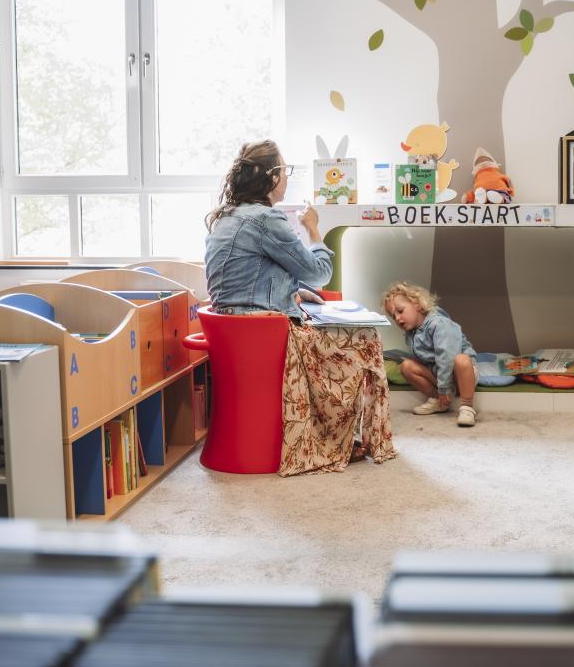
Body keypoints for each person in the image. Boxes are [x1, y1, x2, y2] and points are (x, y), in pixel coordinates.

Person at [204, 140, 396, 476]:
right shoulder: (266, 219)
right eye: (285, 171)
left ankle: (327, 435)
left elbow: (248, 277)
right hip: (266, 335)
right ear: (271, 177)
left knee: (334, 330)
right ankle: (338, 440)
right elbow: (319, 273)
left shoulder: (226, 217)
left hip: (237, 331)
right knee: (364, 339)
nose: (287, 179)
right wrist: (313, 228)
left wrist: (294, 291)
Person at [381, 281, 478, 427]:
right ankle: (438, 400)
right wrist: (441, 388)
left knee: (462, 360)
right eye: (393, 316)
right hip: (439, 375)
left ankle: (467, 406)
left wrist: (445, 387)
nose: (398, 319)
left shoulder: (439, 324)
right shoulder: (411, 332)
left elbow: (447, 358)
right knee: (406, 366)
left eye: (400, 311)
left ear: (418, 305)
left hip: (459, 374)